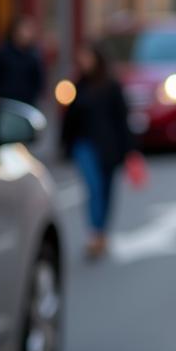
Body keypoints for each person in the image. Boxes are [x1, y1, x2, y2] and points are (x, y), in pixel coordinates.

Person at [60, 42, 136, 259]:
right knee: (93, 188)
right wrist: (64, 145)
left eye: (87, 57)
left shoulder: (111, 86)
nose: (83, 62)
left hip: (109, 148)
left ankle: (102, 231)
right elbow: (69, 119)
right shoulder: (78, 85)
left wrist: (129, 150)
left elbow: (122, 119)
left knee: (106, 190)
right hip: (84, 145)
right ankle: (95, 233)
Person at [0, 14, 46, 107]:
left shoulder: (33, 56)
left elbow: (39, 82)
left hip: (26, 105)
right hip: (6, 104)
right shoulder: (3, 53)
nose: (26, 34)